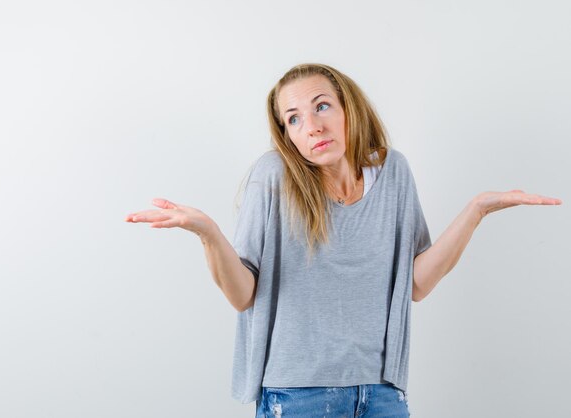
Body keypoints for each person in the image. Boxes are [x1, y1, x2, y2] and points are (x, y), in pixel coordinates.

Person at [125, 63, 562, 417]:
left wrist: (477, 210)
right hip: (298, 396)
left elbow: (415, 284)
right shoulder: (273, 177)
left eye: (321, 107)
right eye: (293, 119)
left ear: (348, 108)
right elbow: (243, 296)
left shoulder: (394, 173)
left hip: (382, 392)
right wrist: (208, 234)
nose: (311, 126)